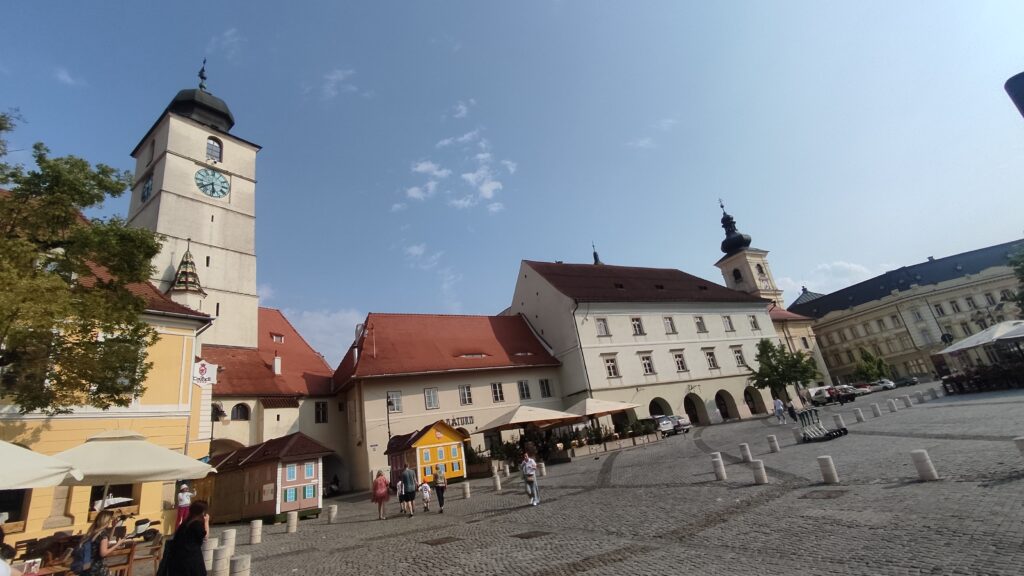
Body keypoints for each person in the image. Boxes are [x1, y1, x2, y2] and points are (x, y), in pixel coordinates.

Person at [163, 500, 210, 576]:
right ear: (202, 512)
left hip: (177, 559)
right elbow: (205, 537)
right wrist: (206, 522)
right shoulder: (196, 524)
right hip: (190, 559)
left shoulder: (185, 523)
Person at [73, 509, 126, 576]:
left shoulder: (93, 532)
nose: (110, 522)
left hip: (87, 566)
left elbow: (105, 543)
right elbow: (103, 553)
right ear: (106, 521)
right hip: (97, 569)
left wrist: (113, 527)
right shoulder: (103, 535)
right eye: (110, 520)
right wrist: (117, 544)